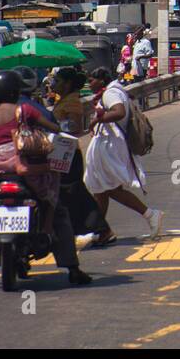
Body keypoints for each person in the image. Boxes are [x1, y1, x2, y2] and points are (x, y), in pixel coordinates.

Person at [0, 70, 90, 285]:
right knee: (56, 204)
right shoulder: (25, 110)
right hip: (26, 167)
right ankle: (69, 263)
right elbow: (52, 130)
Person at [83, 68, 163, 242]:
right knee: (101, 189)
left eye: (92, 80)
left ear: (101, 80)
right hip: (107, 145)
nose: (90, 84)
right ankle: (101, 230)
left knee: (110, 187)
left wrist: (99, 118)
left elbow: (119, 112)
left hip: (111, 145)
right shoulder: (111, 91)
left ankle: (150, 214)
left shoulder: (110, 93)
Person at [51, 67, 111, 241]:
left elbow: (75, 127)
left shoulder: (72, 101)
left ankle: (101, 228)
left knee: (75, 192)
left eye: (58, 80)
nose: (54, 84)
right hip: (59, 151)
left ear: (68, 84)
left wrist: (53, 125)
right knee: (68, 193)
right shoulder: (63, 100)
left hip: (67, 152)